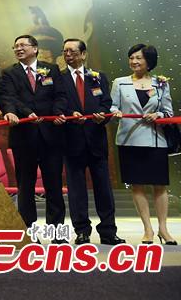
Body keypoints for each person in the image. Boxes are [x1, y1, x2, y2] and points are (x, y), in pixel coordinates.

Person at [0, 34, 68, 239]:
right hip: (24, 136)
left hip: (51, 135)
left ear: (35, 48)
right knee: (25, 186)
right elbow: (10, 98)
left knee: (54, 185)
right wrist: (27, 112)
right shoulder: (9, 72)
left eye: (23, 45)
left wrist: (57, 113)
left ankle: (56, 232)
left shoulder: (51, 69)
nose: (18, 48)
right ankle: (29, 232)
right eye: (15, 46)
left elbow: (61, 95)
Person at [110, 44, 176, 245]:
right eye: (131, 58)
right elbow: (112, 106)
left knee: (160, 186)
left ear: (149, 61)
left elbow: (169, 112)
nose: (134, 61)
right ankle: (147, 229)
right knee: (137, 186)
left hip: (155, 140)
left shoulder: (161, 83)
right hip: (129, 140)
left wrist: (158, 114)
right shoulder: (120, 83)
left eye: (139, 58)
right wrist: (115, 112)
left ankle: (163, 229)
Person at [60, 38, 124, 245]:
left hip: (96, 140)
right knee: (76, 191)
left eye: (72, 51)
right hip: (72, 141)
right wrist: (70, 113)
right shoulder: (59, 78)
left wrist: (102, 116)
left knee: (104, 189)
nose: (68, 55)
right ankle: (82, 231)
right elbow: (57, 104)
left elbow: (106, 103)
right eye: (65, 51)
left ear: (83, 54)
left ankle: (108, 231)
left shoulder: (98, 77)